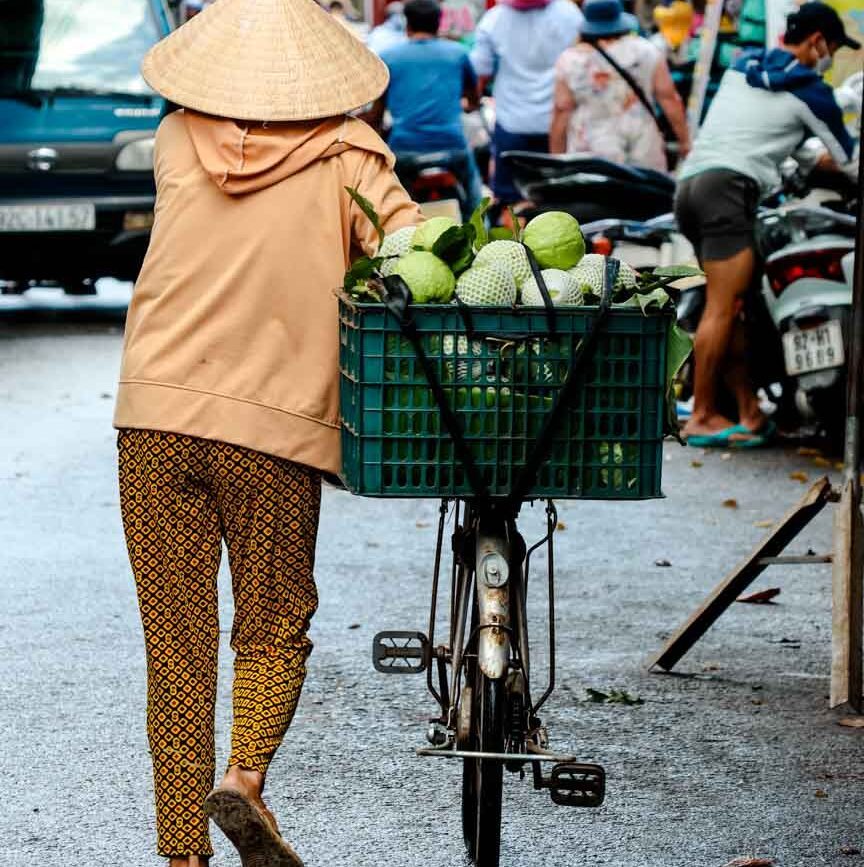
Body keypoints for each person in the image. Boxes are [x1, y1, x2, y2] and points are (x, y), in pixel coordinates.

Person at [113, 0, 421, 865]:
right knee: (274, 618)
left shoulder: (178, 137)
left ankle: (182, 853)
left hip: (154, 413)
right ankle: (244, 778)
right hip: (271, 428)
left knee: (174, 640)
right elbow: (414, 249)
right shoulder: (352, 154)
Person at [674, 1, 859, 447]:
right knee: (721, 309)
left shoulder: (744, 65)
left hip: (691, 188)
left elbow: (766, 135)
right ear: (817, 41)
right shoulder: (810, 91)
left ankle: (748, 411)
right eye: (832, 46)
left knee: (731, 306)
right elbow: (849, 162)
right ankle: (700, 415)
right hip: (729, 193)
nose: (830, 56)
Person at [550, 0, 690, 169]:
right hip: (641, 149)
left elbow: (561, 111)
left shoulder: (570, 61)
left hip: (590, 153)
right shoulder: (647, 52)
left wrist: (556, 159)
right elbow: (669, 99)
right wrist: (684, 141)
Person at [470, 0, 583, 206]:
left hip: (513, 125)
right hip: (559, 127)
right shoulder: (569, 14)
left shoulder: (494, 20)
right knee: (561, 200)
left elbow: (480, 74)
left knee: (511, 203)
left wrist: (472, 101)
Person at [375, 0, 483, 215]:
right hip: (452, 147)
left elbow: (377, 111)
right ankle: (481, 237)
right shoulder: (458, 53)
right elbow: (474, 99)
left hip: (404, 149)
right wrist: (467, 104)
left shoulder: (388, 57)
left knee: (393, 209)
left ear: (408, 26)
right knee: (476, 205)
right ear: (438, 25)